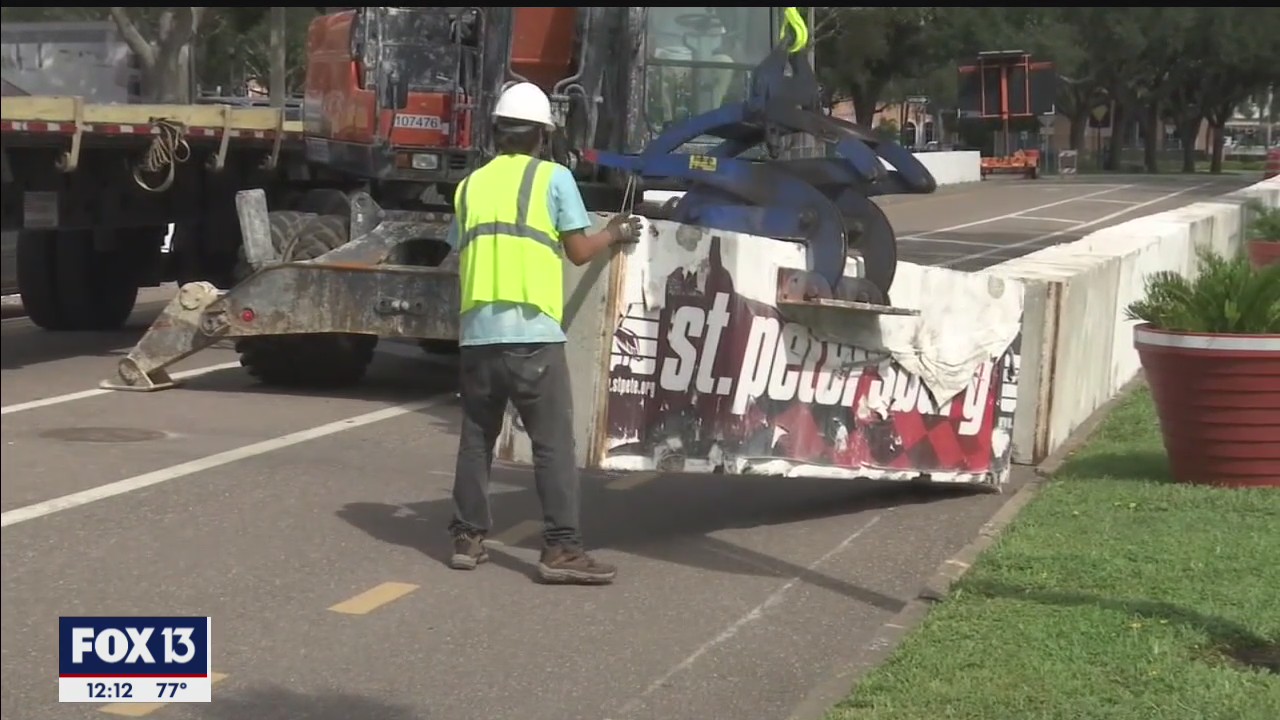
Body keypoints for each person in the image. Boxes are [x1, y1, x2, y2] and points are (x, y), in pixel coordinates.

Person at [441, 81, 643, 585]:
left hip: (478, 333)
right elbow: (578, 251)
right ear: (543, 135)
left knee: (476, 439)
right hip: (532, 333)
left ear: (496, 132)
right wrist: (615, 232)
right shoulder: (554, 178)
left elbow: (458, 247)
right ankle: (562, 549)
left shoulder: (470, 186)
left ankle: (466, 538)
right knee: (552, 444)